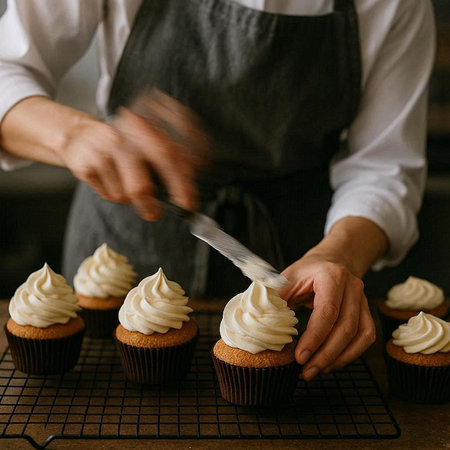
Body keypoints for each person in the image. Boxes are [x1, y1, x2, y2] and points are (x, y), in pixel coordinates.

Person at [0, 0, 435, 381]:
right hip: (133, 227)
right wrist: (73, 133)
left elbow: (385, 166)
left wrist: (340, 253)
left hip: (300, 264)